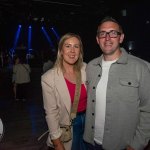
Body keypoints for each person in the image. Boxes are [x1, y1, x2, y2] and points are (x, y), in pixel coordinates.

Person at [83, 16, 150, 150]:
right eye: (103, 33)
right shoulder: (90, 66)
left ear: (121, 38)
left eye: (113, 33)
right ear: (97, 39)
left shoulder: (142, 67)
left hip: (123, 146)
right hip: (91, 142)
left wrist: (137, 145)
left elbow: (147, 110)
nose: (107, 38)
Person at [41, 33, 87, 150]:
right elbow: (51, 113)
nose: (72, 50)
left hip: (89, 124)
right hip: (69, 126)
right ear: (61, 50)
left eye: (76, 46)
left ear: (80, 51)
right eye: (68, 46)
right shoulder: (49, 78)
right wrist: (57, 143)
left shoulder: (87, 69)